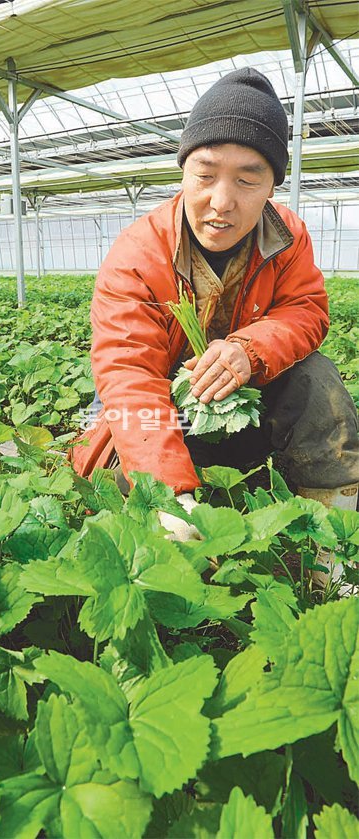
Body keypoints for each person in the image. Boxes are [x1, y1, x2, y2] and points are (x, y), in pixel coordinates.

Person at [71, 68, 358, 576]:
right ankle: (178, 512)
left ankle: (330, 557)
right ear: (183, 172)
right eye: (204, 176)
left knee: (317, 381)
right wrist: (170, 493)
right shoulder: (138, 253)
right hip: (163, 398)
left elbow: (306, 310)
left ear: (273, 184)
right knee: (116, 458)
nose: (222, 202)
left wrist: (249, 350)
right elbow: (130, 374)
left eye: (248, 180)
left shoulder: (287, 236)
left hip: (243, 391)